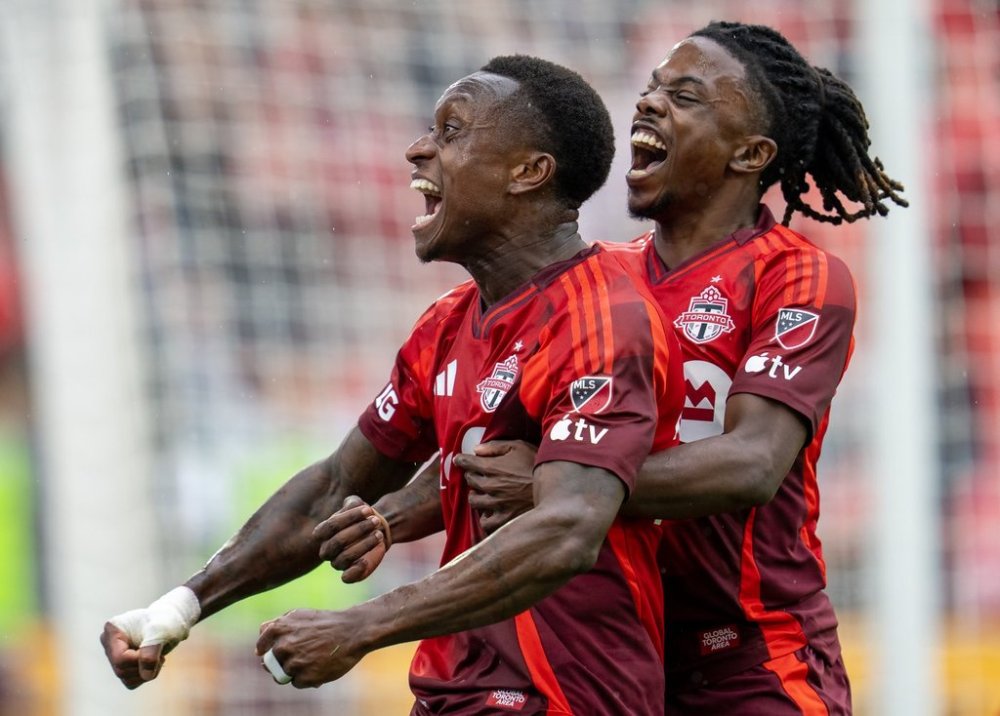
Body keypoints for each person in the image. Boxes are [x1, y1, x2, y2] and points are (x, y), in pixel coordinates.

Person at [324, 22, 908, 716]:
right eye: (652, 88)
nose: (649, 103)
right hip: (625, 658)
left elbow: (754, 462)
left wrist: (560, 488)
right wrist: (392, 518)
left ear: (750, 153)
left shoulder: (798, 276)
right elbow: (498, 443)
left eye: (684, 97)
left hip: (755, 658)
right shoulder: (597, 283)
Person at [100, 55, 685, 715]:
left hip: (569, 697)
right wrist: (180, 607)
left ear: (528, 172)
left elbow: (567, 528)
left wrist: (360, 625)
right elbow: (334, 487)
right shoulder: (446, 326)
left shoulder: (602, 316)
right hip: (456, 691)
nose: (418, 149)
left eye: (451, 131)